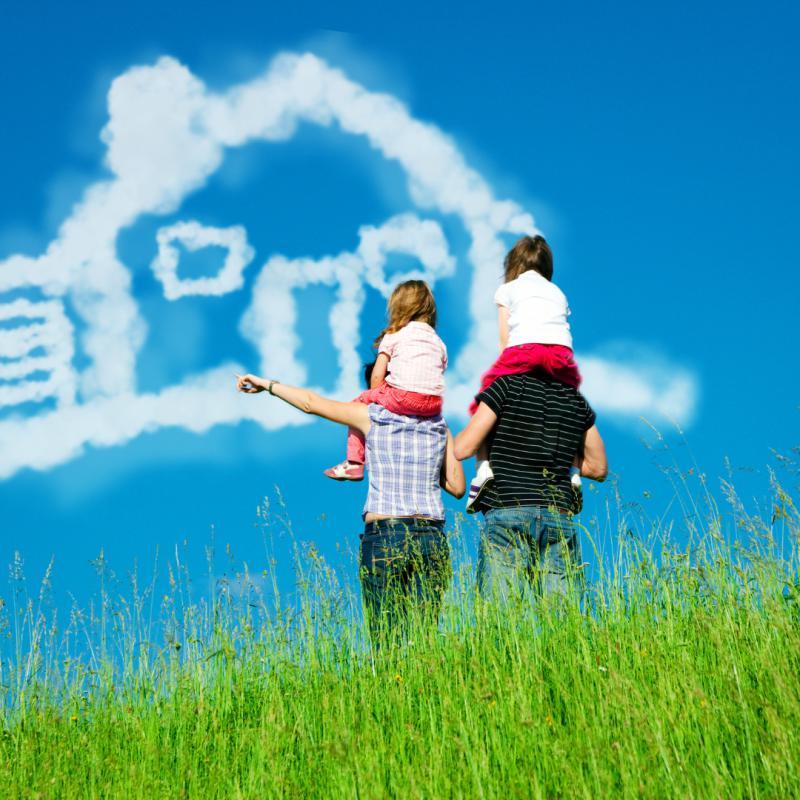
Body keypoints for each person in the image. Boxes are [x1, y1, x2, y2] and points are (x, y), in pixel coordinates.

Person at [236, 371, 465, 643]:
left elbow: (310, 403)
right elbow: (457, 487)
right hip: (431, 536)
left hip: (386, 534)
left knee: (387, 639)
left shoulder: (373, 415)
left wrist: (267, 384)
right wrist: (421, 462)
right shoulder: (439, 424)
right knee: (425, 639)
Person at [454, 370, 607, 604]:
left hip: (508, 512)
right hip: (558, 517)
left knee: (501, 615)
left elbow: (463, 448)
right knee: (561, 619)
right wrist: (560, 460)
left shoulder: (505, 386)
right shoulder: (574, 399)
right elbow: (598, 468)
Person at [467, 235, 583, 511]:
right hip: (561, 354)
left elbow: (504, 339)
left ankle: (483, 469)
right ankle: (574, 473)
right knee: (571, 407)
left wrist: (505, 376)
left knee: (483, 402)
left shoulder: (507, 289)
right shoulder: (558, 292)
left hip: (524, 349)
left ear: (513, 264)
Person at [324, 280, 447, 482]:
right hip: (434, 404)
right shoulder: (439, 343)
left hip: (403, 397)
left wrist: (376, 400)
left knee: (356, 405)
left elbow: (376, 377)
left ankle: (354, 463)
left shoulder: (394, 335)